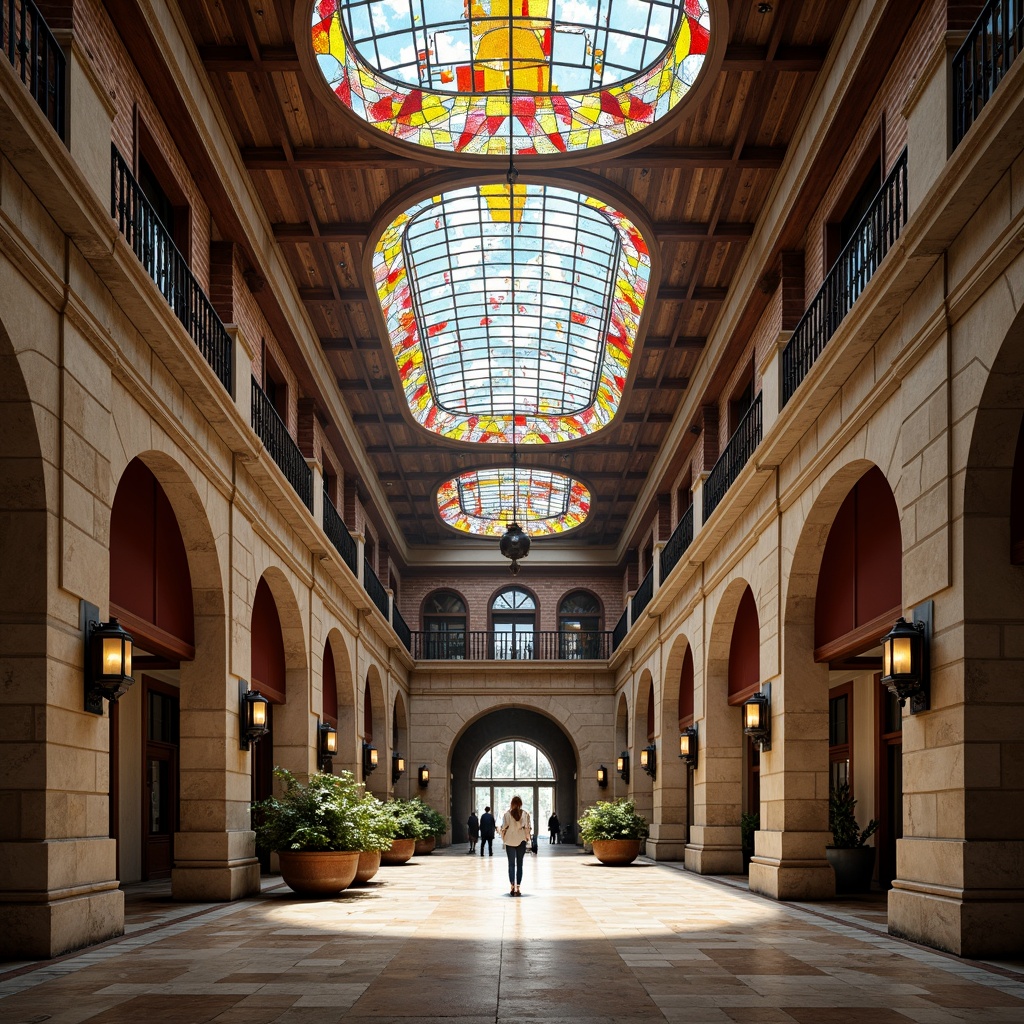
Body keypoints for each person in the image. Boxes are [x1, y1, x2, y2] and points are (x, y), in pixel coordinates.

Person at [500, 795, 531, 896]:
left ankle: (512, 886)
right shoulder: (525, 814)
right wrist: (528, 839)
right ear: (520, 804)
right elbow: (527, 828)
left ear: (512, 804)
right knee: (520, 864)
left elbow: (503, 827)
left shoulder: (507, 814)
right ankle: (518, 887)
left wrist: (503, 838)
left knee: (511, 864)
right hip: (521, 840)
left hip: (509, 840)